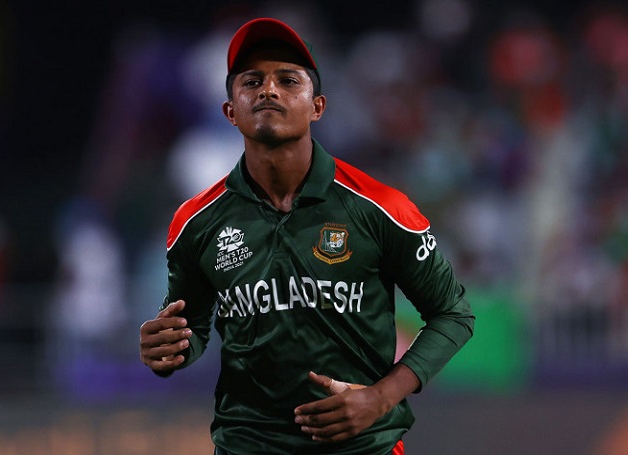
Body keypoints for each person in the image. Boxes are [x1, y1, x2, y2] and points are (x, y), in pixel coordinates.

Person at [139, 17, 474, 455]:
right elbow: (192, 329)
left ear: (317, 106)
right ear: (230, 111)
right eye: (252, 81)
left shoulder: (380, 207)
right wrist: (168, 348)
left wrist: (380, 398)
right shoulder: (196, 221)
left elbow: (452, 313)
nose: (268, 90)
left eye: (287, 80)